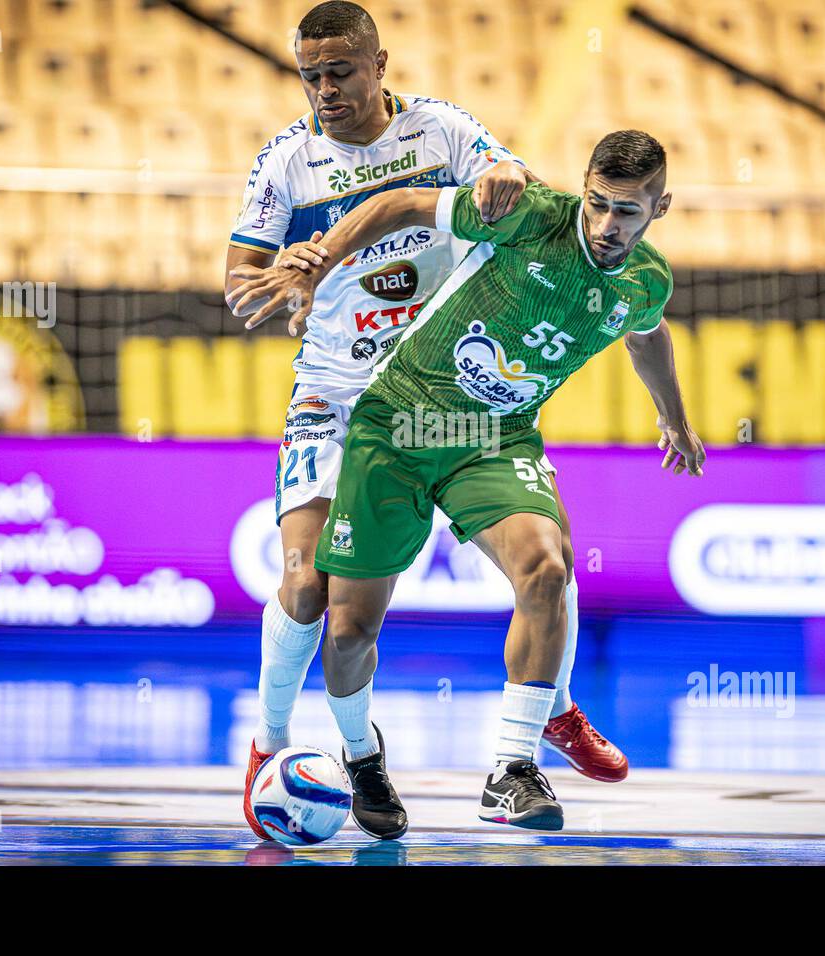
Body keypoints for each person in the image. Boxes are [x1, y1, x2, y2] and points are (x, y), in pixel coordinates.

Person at [224, 1, 626, 841]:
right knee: (307, 590)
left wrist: (504, 176)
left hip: (453, 395)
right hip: (338, 400)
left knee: (548, 557)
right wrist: (282, 271)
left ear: (379, 64)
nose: (325, 90)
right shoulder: (286, 163)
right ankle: (297, 746)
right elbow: (239, 280)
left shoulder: (439, 129)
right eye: (309, 76)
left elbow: (508, 173)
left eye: (340, 71)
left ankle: (552, 709)